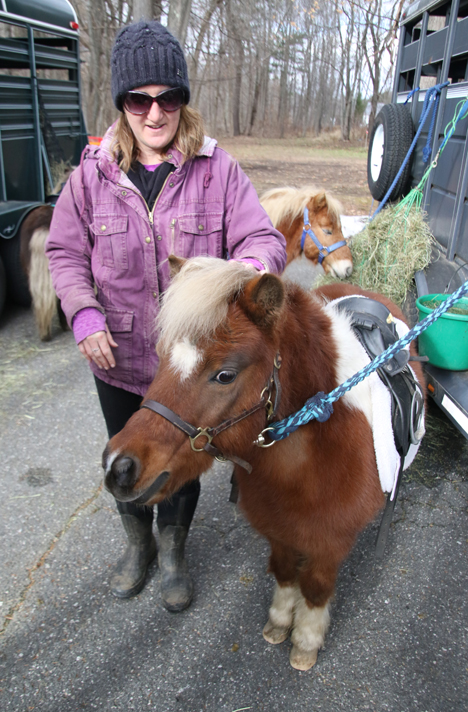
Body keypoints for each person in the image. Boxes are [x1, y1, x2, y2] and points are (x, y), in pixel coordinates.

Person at [45, 20, 287, 612]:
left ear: (182, 100)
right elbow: (64, 253)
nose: (155, 114)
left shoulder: (217, 169)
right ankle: (138, 547)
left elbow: (262, 237)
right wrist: (82, 315)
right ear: (122, 104)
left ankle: (173, 551)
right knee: (124, 454)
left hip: (187, 368)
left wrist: (243, 270)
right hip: (120, 359)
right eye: (139, 99)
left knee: (183, 458)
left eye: (168, 98)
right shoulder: (90, 176)